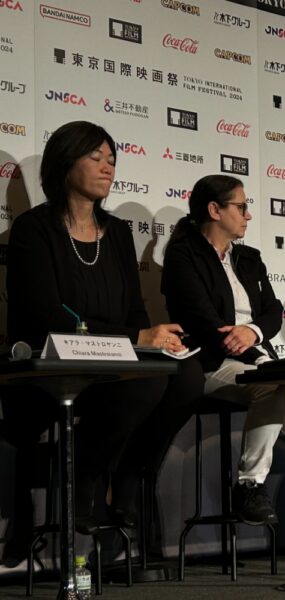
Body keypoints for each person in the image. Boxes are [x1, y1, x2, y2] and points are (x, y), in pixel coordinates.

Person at [2, 121, 205, 565]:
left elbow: (133, 310)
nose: (107, 167)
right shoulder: (33, 229)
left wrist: (153, 341)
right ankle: (86, 477)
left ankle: (127, 475)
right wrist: (136, 338)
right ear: (64, 162)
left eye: (111, 159)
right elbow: (45, 318)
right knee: (148, 383)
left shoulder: (117, 233)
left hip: (112, 365)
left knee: (187, 375)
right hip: (50, 368)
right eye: (95, 157)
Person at [160, 174, 285, 573]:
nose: (248, 215)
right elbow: (199, 316)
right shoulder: (183, 256)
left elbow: (273, 312)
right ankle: (249, 484)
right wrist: (241, 342)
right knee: (273, 386)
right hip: (210, 362)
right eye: (240, 207)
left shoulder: (249, 258)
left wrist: (252, 332)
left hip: (260, 361)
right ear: (214, 210)